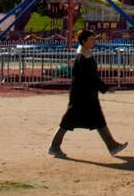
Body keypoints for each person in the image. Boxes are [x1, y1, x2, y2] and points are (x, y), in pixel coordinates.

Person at [48, 30, 127, 159]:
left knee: (97, 120)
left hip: (86, 95)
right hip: (81, 96)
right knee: (68, 122)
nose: (94, 41)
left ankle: (112, 146)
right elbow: (90, 78)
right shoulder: (82, 57)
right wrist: (105, 88)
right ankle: (54, 146)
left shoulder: (85, 55)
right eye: (91, 39)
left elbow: (91, 78)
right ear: (84, 41)